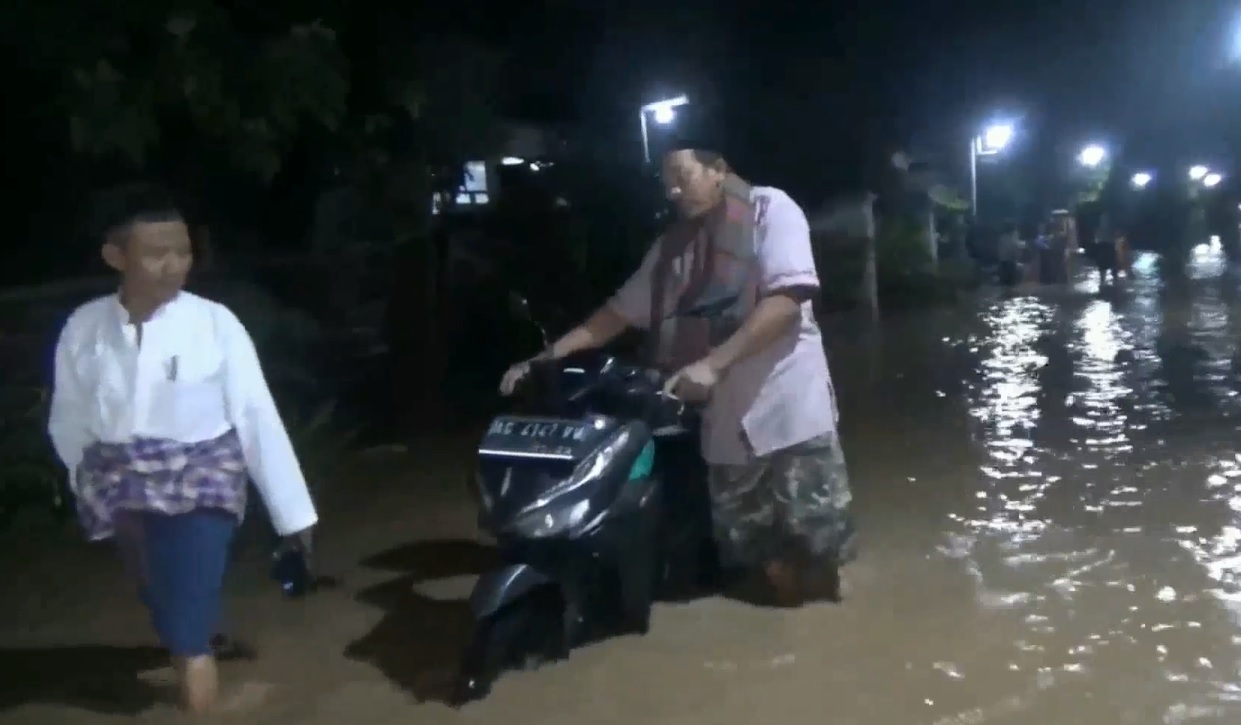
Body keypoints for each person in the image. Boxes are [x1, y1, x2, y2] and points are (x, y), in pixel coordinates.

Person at [499, 142, 855, 606]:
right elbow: (614, 316)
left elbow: (787, 300)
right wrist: (543, 359)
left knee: (821, 557)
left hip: (788, 411)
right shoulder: (671, 249)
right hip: (723, 425)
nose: (672, 190)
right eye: (665, 181)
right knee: (749, 560)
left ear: (719, 169)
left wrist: (713, 362)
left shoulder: (771, 209)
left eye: (682, 175)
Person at [47, 183, 319, 714]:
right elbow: (70, 416)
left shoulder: (215, 324)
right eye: (156, 253)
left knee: (186, 623)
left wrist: (293, 513)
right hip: (121, 483)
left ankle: (199, 667)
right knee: (164, 602)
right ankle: (197, 644)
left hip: (204, 478)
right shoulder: (84, 328)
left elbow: (256, 415)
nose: (174, 265)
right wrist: (86, 476)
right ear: (115, 257)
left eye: (183, 251)